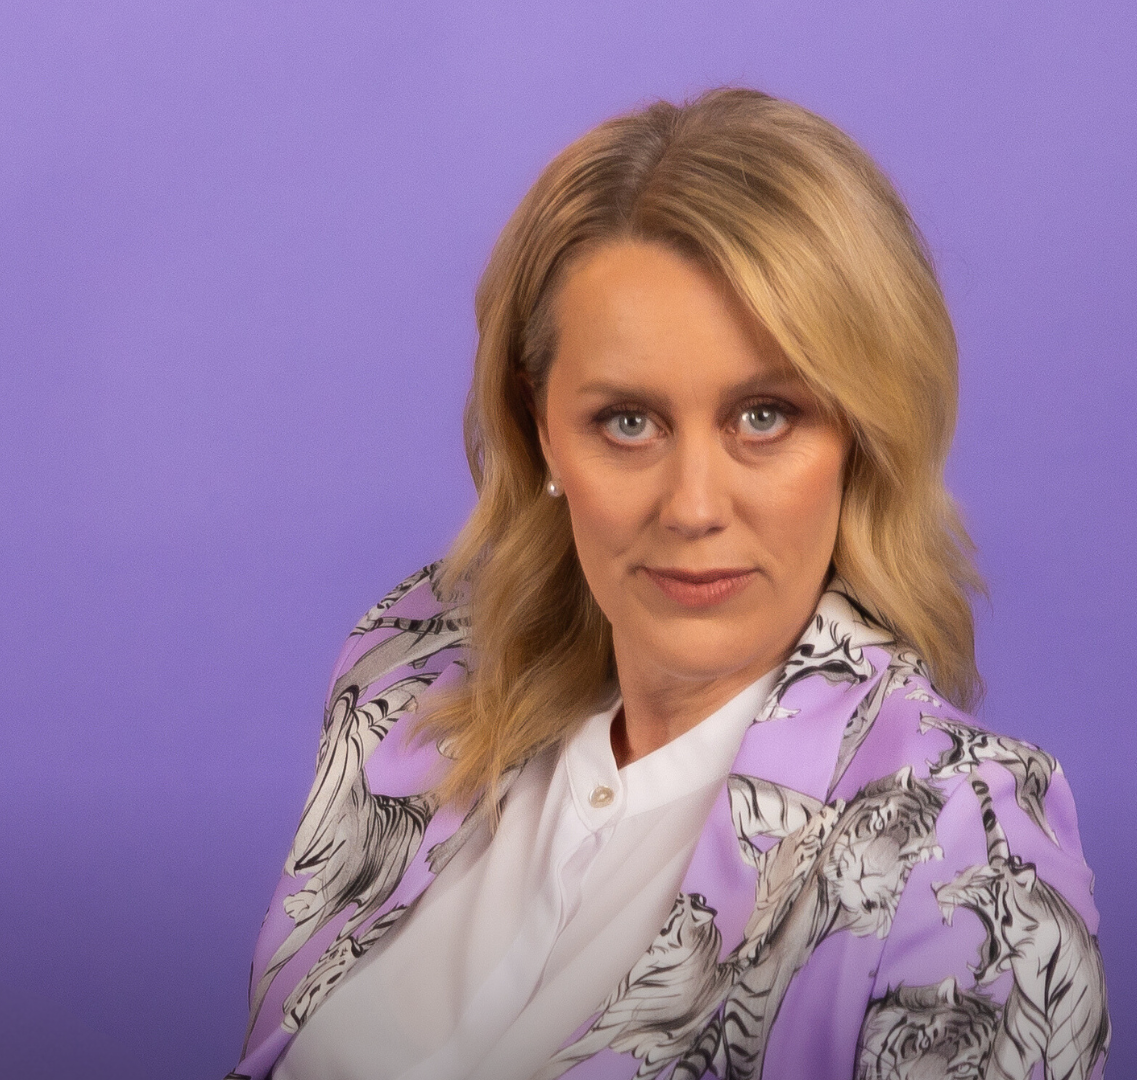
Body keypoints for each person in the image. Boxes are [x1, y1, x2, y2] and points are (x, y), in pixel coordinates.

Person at [230, 89, 1108, 1080]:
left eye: (766, 416)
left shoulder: (960, 844)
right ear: (541, 427)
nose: (693, 507)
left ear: (862, 437)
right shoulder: (411, 668)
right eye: (629, 422)